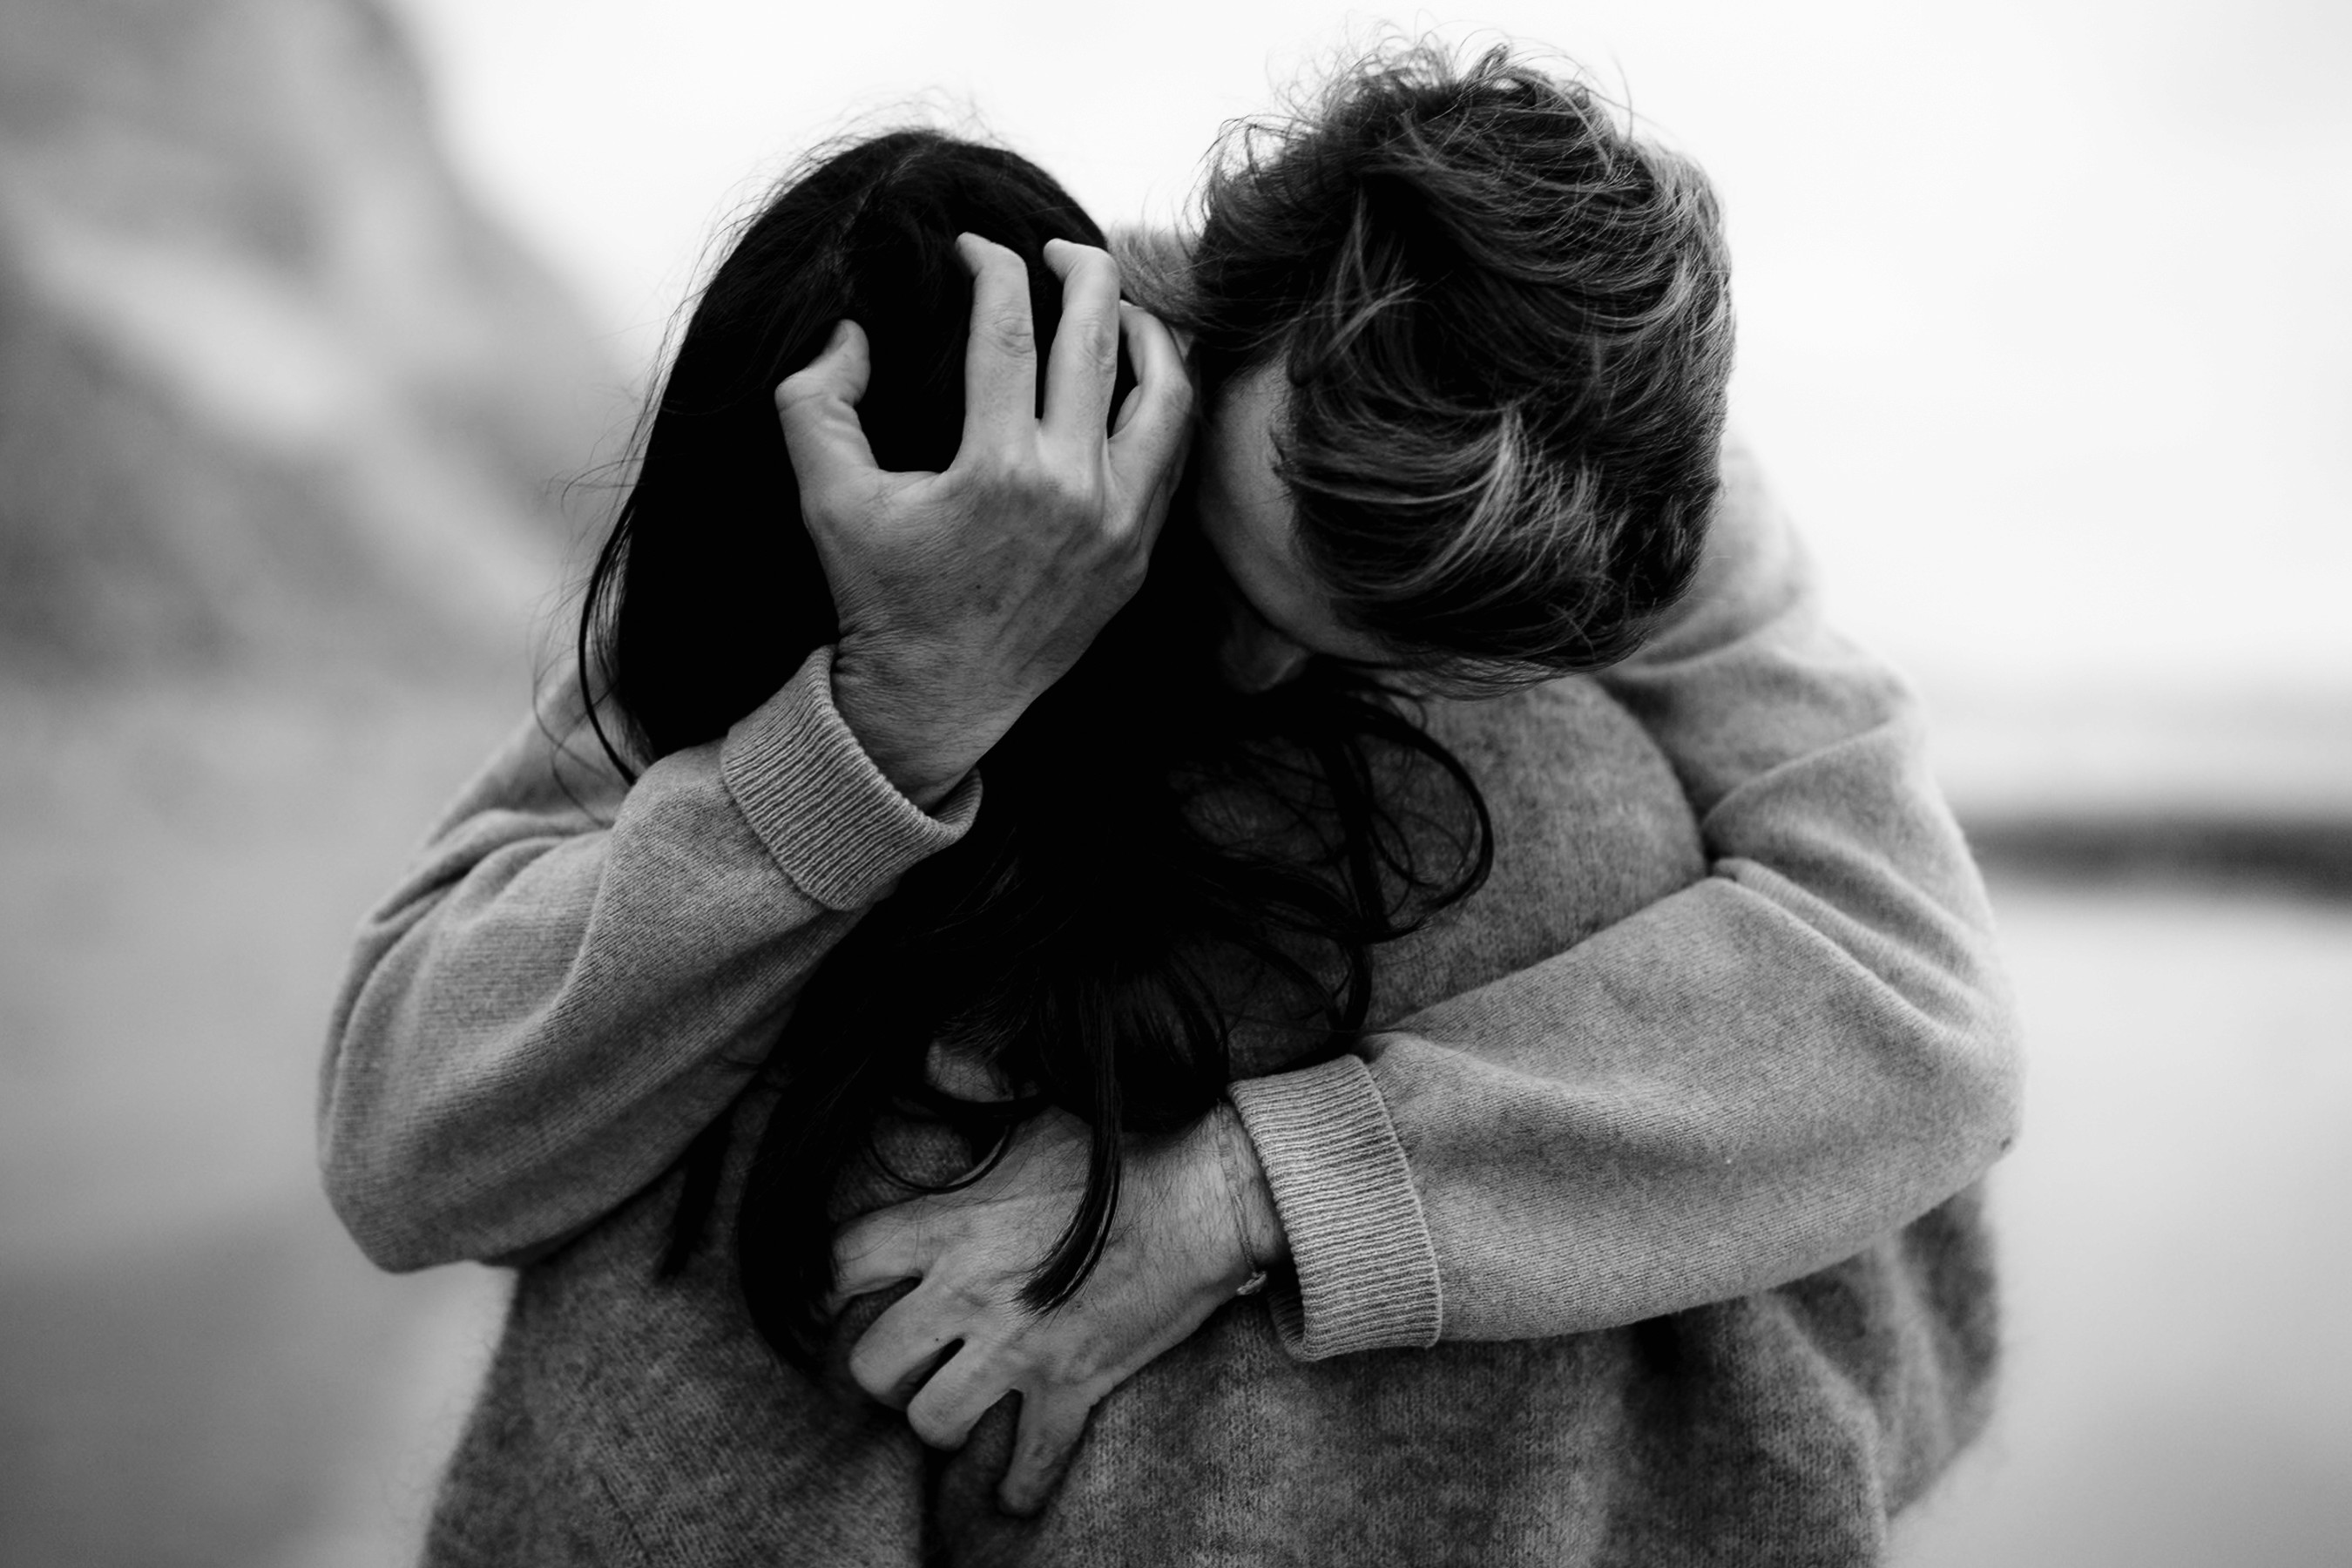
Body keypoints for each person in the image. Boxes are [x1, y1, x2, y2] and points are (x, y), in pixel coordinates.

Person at [321, 47, 2019, 1563]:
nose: (1259, 684)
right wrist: (892, 717)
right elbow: (410, 1143)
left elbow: (1922, 1015)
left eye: (1360, 653)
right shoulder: (951, 435)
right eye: (1244, 572)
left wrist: (1246, 1197)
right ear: (1227, 317)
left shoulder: (1660, 536)